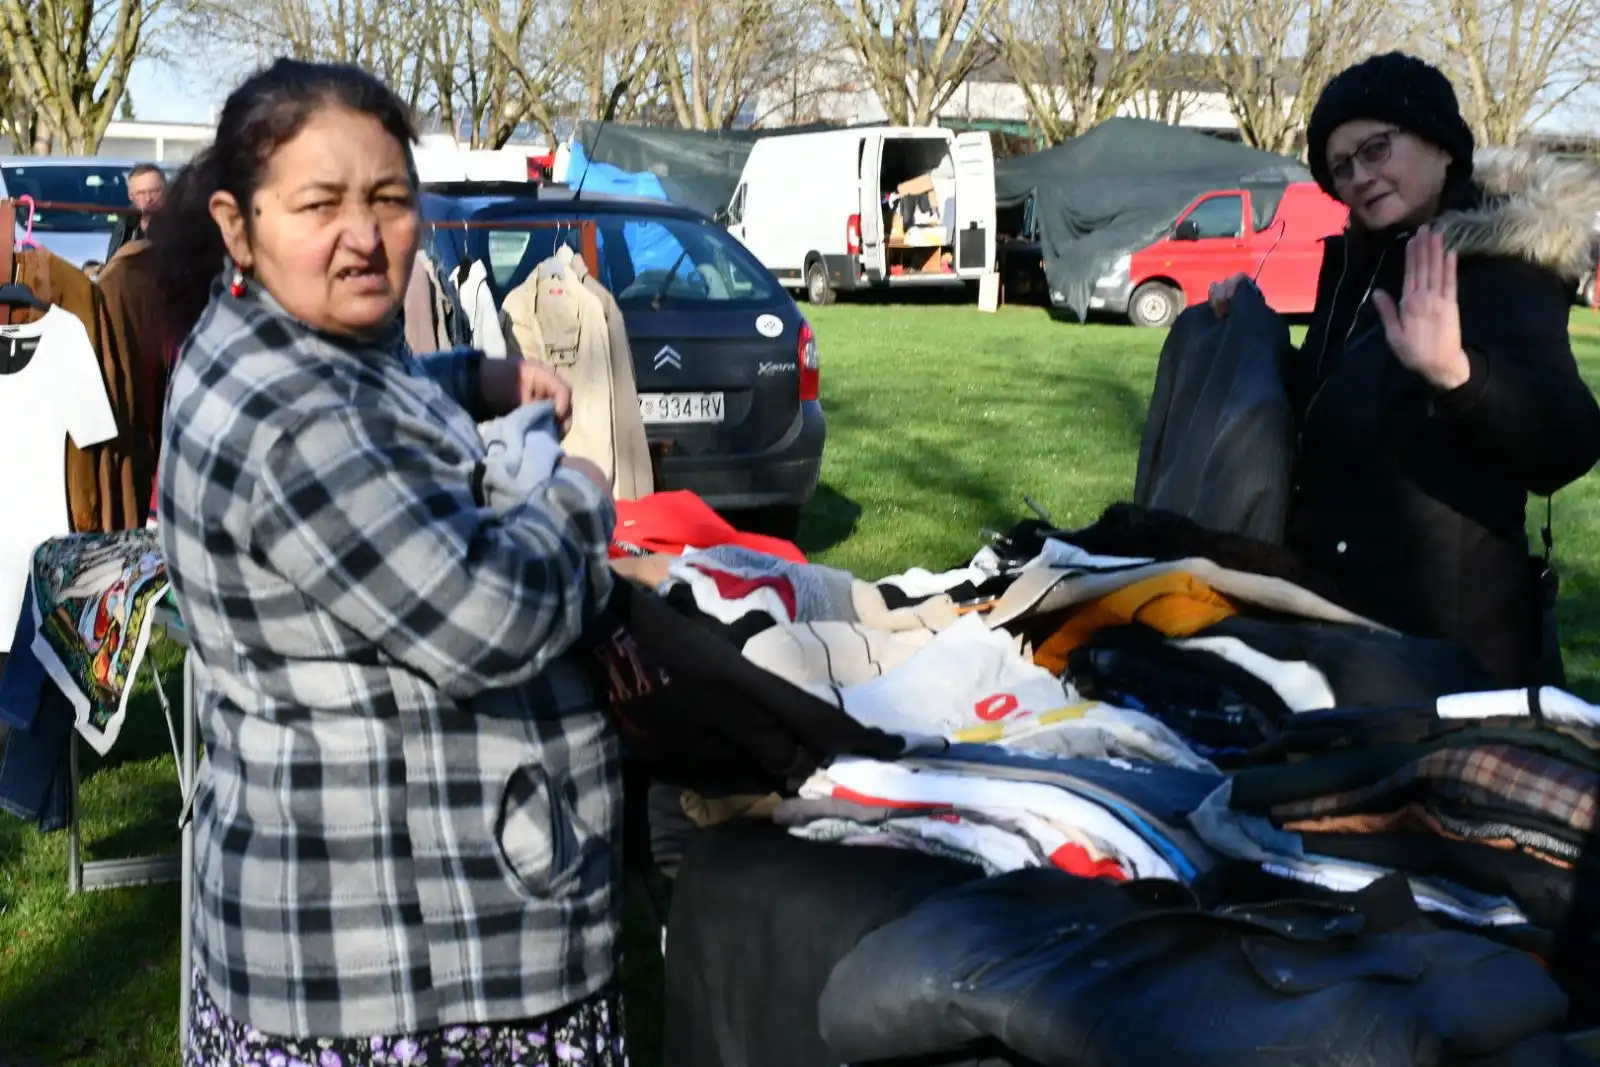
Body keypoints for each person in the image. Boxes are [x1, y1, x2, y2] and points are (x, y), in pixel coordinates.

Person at [148, 58, 629, 1066]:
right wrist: (582, 493)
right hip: (397, 960)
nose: (363, 236)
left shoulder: (292, 338)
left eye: (391, 200)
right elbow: (496, 614)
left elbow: (383, 390)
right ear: (237, 226)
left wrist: (479, 377)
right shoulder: (285, 422)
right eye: (319, 204)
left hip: (393, 917)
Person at [1210, 52, 1600, 687]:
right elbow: (1333, 399)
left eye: (1376, 149)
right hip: (1335, 628)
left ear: (1441, 147)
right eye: (1340, 167)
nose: (1358, 176)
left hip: (1442, 656)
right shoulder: (1356, 266)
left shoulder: (1500, 271)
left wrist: (1457, 373)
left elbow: (1568, 443)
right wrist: (1248, 325)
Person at [105, 162, 167, 260]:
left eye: (155, 191)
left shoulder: (181, 226)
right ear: (131, 196)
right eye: (141, 193)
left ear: (166, 190)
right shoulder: (125, 224)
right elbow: (112, 263)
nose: (148, 198)